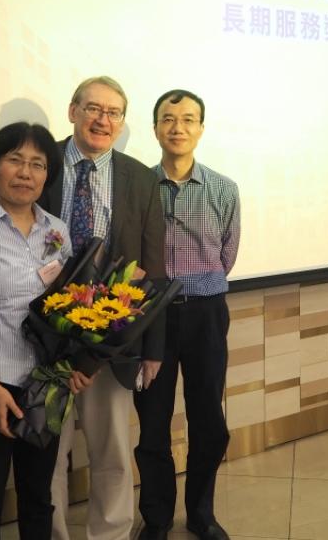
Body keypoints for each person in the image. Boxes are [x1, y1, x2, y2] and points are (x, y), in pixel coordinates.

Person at [39, 76, 166, 540]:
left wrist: (153, 347)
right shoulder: (42, 163)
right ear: (72, 110)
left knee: (111, 453)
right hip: (43, 339)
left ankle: (109, 535)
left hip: (113, 344)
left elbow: (154, 267)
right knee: (48, 454)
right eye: (93, 108)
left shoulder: (140, 178)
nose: (102, 120)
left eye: (113, 113)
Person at [134, 90, 240, 540]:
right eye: (168, 119)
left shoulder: (223, 188)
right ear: (155, 127)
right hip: (151, 316)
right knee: (153, 422)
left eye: (188, 119)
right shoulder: (138, 186)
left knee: (208, 419)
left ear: (201, 128)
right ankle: (156, 518)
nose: (177, 127)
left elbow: (228, 253)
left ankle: (201, 513)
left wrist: (196, 287)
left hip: (206, 315)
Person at [0, 122, 71, 539]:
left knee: (38, 495)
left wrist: (73, 364)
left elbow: (71, 308)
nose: (26, 173)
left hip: (46, 383)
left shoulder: (56, 230)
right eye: (15, 160)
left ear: (47, 175)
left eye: (37, 164)